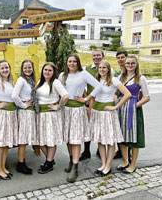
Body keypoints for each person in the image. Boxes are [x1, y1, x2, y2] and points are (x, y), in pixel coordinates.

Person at [59, 54, 102, 182]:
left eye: (74, 61)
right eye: (69, 61)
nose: (72, 63)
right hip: (65, 110)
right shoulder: (62, 75)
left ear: (78, 63)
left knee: (76, 139)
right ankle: (72, 160)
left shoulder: (83, 74)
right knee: (68, 138)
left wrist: (86, 99)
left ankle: (76, 167)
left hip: (77, 109)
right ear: (66, 63)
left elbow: (99, 86)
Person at [89, 60, 131, 176]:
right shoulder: (98, 81)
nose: (101, 69)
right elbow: (93, 97)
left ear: (108, 69)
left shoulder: (113, 80)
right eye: (100, 68)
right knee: (100, 140)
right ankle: (103, 164)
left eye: (104, 68)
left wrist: (115, 106)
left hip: (107, 114)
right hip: (97, 112)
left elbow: (127, 94)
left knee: (110, 141)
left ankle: (108, 166)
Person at [117, 56, 150, 174]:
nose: (130, 65)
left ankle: (133, 164)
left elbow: (147, 97)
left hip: (133, 110)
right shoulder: (120, 77)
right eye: (128, 63)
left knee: (134, 138)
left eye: (132, 63)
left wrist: (135, 106)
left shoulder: (141, 78)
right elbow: (116, 92)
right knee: (121, 136)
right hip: (121, 109)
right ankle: (125, 161)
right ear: (124, 64)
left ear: (136, 64)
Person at [81, 48, 115, 161]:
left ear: (103, 56)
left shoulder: (110, 70)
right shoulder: (86, 69)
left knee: (102, 127)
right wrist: (86, 97)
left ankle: (101, 151)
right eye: (94, 55)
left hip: (103, 102)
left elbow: (113, 87)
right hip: (91, 101)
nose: (96, 57)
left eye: (98, 55)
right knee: (88, 126)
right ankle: (86, 151)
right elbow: (82, 84)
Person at [36, 62, 69, 174]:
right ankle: (50, 160)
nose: (47, 72)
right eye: (45, 69)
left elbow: (65, 96)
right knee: (40, 141)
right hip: (40, 115)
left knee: (50, 140)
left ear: (54, 72)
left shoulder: (55, 82)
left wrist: (58, 107)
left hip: (51, 115)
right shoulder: (39, 82)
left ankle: (49, 162)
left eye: (50, 70)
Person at [12, 60, 40, 175]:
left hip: (30, 112)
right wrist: (23, 105)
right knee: (23, 139)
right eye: (25, 68)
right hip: (25, 112)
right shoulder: (21, 80)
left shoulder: (31, 81)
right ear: (22, 69)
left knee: (26, 138)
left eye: (29, 67)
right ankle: (20, 163)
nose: (27, 69)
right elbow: (14, 95)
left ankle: (22, 161)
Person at [114, 50, 131, 160]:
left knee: (127, 129)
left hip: (129, 104)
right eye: (118, 58)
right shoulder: (119, 74)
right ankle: (120, 151)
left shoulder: (131, 72)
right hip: (120, 104)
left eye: (122, 57)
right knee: (119, 128)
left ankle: (127, 154)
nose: (120, 59)